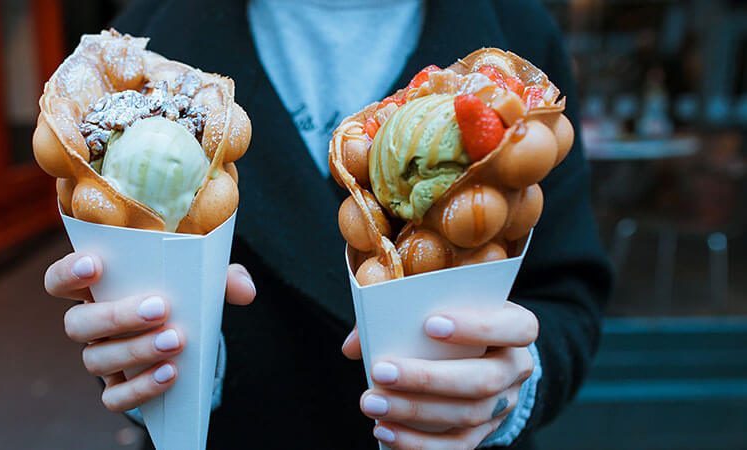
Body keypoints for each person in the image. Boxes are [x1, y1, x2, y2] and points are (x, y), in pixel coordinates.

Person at [44, 1, 613, 448]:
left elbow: (566, 291)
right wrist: (167, 368)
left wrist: (512, 386)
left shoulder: (517, 35)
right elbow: (116, 288)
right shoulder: (137, 44)